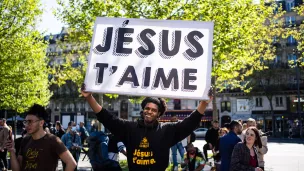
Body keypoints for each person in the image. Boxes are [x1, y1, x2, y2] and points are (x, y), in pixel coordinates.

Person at [81, 84, 212, 171]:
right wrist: (89, 97)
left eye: (153, 110)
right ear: (143, 110)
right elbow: (107, 118)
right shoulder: (129, 128)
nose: (149, 111)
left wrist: (204, 103)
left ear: (159, 114)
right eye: (147, 108)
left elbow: (189, 124)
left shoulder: (167, 130)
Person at [5, 104, 77, 171]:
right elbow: (17, 169)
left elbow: (71, 163)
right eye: (25, 122)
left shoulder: (53, 140)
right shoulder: (25, 140)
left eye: (30, 121)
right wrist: (12, 151)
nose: (27, 125)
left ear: (41, 123)